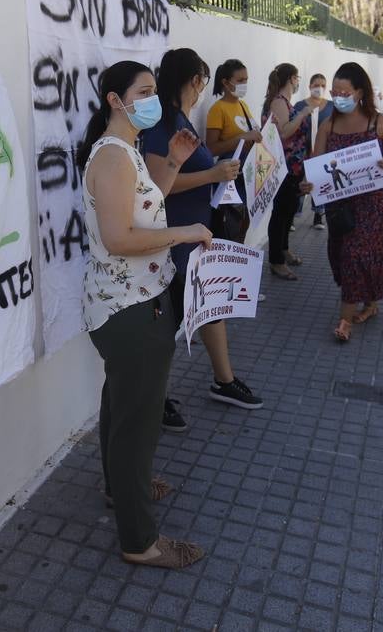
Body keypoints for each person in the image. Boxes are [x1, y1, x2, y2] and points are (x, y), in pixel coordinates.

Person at [76, 60, 210, 569]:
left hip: (134, 303)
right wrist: (185, 232)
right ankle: (140, 541)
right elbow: (119, 238)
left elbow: (143, 201)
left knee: (122, 404)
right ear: (115, 100)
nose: (156, 100)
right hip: (130, 311)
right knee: (138, 423)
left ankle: (119, 489)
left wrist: (173, 163)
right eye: (145, 91)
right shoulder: (112, 156)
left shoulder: (124, 151)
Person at [143, 48, 263, 413]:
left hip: (197, 232)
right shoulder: (161, 122)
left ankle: (223, 381)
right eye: (202, 82)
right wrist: (212, 174)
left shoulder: (180, 117)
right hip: (175, 237)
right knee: (169, 325)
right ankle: (153, 397)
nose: (202, 91)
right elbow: (156, 182)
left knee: (211, 305)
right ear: (194, 79)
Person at [306, 62, 383, 342]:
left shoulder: (381, 124)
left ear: (360, 92)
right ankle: (371, 303)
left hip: (376, 205)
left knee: (357, 256)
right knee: (344, 256)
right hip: (342, 208)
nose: (337, 96)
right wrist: (308, 183)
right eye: (334, 91)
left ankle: (345, 320)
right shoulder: (329, 125)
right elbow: (315, 163)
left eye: (344, 91)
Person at [262, 63, 317, 280]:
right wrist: (303, 114)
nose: (298, 82)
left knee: (288, 212)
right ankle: (276, 261)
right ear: (291, 79)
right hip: (282, 167)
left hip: (292, 166)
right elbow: (284, 132)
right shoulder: (278, 102)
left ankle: (283, 249)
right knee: (280, 214)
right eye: (297, 78)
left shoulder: (284, 101)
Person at [204, 59, 261, 242]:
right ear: (226, 83)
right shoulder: (217, 109)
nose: (244, 84)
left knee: (243, 225)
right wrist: (241, 138)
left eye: (246, 80)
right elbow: (211, 149)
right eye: (240, 80)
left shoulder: (243, 106)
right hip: (231, 179)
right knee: (230, 228)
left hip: (247, 175)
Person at [295, 74, 333, 230]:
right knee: (300, 182)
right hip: (302, 150)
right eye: (316, 85)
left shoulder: (331, 106)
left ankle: (318, 215)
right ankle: (293, 215)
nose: (320, 88)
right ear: (310, 86)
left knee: (320, 181)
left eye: (323, 85)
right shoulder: (300, 106)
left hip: (323, 150)